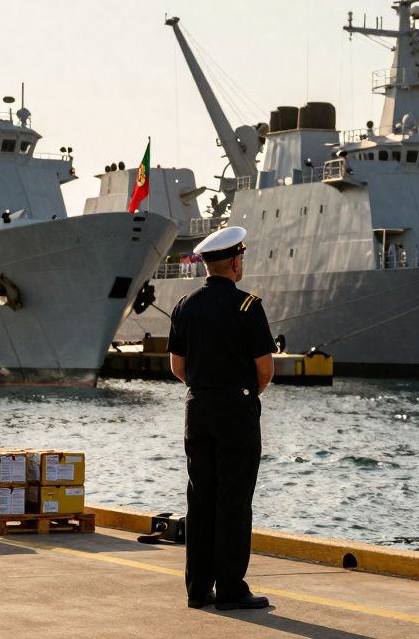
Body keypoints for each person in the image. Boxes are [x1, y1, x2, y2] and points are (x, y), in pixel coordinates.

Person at [168, 225, 274, 612]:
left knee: (200, 498)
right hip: (236, 410)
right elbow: (264, 370)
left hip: (197, 409)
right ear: (234, 261)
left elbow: (177, 367)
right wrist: (240, 397)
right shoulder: (248, 306)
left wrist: (207, 390)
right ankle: (231, 588)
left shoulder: (184, 305)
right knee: (234, 499)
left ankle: (198, 589)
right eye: (240, 257)